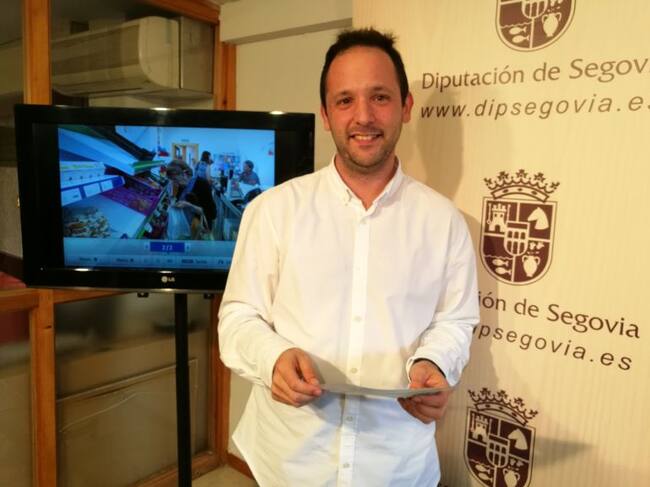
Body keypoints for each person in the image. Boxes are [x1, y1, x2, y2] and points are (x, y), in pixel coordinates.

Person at [218, 28, 479, 486]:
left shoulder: (444, 222)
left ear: (406, 106)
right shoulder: (273, 210)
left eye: (380, 97)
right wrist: (273, 358)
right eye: (345, 100)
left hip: (396, 464)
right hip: (289, 461)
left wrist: (435, 363)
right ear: (325, 114)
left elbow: (455, 321)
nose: (363, 116)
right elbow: (239, 316)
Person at [165, 159, 216, 234]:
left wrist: (189, 206)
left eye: (175, 179)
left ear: (185, 173)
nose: (174, 183)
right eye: (171, 180)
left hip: (199, 230)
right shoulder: (180, 186)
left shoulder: (202, 184)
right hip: (185, 228)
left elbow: (212, 214)